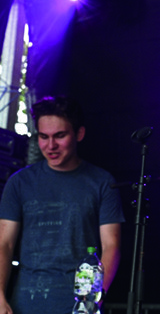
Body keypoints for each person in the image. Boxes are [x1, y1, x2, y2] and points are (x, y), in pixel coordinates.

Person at [0, 96, 124, 314]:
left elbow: (111, 246)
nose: (50, 145)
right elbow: (4, 245)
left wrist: (91, 301)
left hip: (79, 306)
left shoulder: (102, 182)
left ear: (79, 134)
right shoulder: (19, 182)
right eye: (43, 137)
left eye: (60, 136)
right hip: (25, 304)